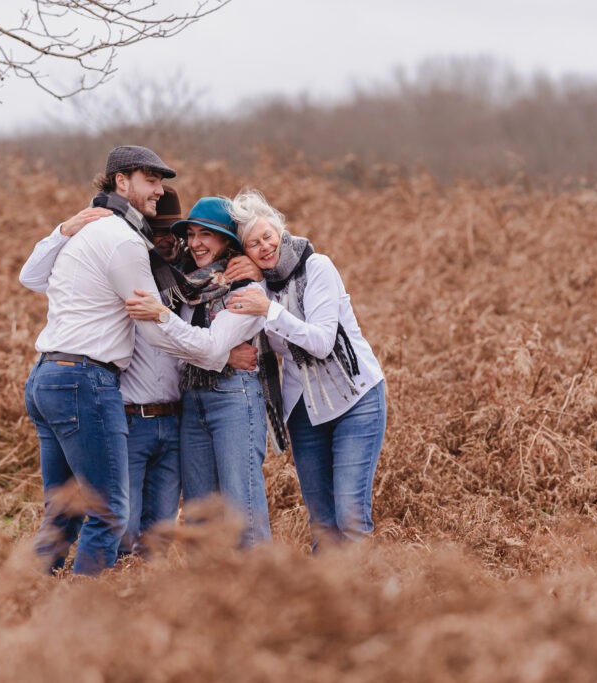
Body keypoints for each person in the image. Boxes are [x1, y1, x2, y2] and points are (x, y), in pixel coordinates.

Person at [22, 145, 260, 576]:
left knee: (64, 512)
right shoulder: (124, 243)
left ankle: (23, 596)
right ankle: (88, 612)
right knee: (110, 512)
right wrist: (217, 353)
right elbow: (154, 328)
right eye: (151, 181)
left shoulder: (106, 239)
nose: (158, 190)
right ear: (121, 181)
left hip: (50, 375)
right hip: (86, 381)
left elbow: (33, 277)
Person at [225, 189, 387, 550]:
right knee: (323, 524)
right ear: (245, 253)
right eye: (253, 244)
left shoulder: (317, 267)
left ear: (281, 230)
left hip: (355, 399)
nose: (265, 247)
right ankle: (324, 602)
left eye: (268, 236)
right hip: (304, 411)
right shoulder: (258, 288)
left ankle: (365, 602)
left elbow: (321, 342)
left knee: (350, 518)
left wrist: (268, 309)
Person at [125, 196, 276, 547]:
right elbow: (183, 351)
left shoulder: (246, 288)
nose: (194, 243)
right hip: (191, 402)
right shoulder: (185, 287)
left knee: (244, 511)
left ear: (228, 242)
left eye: (206, 234)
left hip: (234, 399)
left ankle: (263, 596)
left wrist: (162, 317)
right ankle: (204, 597)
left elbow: (206, 344)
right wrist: (221, 357)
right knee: (197, 516)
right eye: (190, 234)